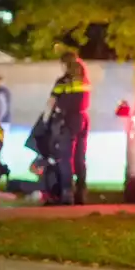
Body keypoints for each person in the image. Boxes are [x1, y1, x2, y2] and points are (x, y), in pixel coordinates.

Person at [42, 52, 90, 205]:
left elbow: (51, 102)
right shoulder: (84, 80)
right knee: (80, 158)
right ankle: (81, 192)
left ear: (65, 64)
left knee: (65, 158)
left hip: (67, 120)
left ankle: (67, 192)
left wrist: (45, 121)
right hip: (83, 119)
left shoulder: (63, 82)